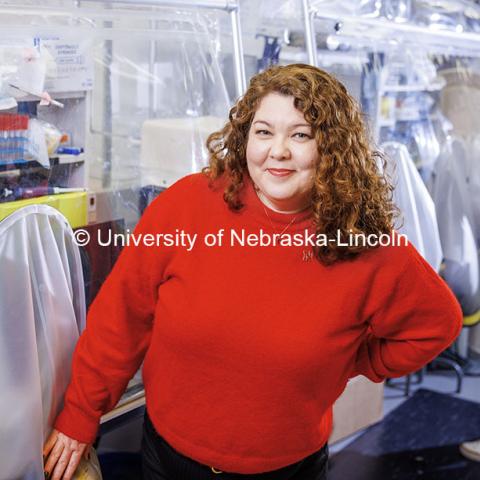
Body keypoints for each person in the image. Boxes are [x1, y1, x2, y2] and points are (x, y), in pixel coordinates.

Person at [43, 64, 463, 480]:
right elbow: (122, 318)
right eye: (264, 132)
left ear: (332, 146)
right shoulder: (186, 205)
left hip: (288, 469)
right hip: (168, 459)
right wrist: (81, 413)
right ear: (245, 136)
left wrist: (351, 361)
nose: (277, 151)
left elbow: (437, 323)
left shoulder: (364, 243)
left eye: (300, 134)